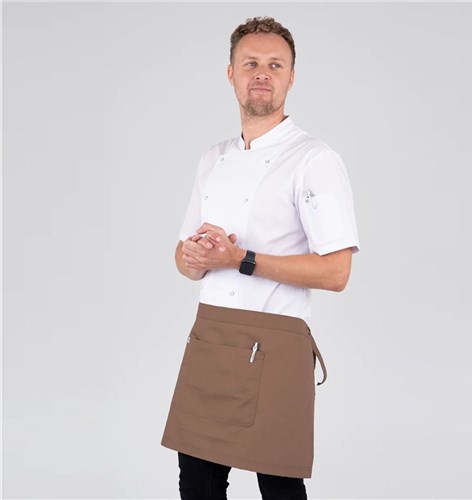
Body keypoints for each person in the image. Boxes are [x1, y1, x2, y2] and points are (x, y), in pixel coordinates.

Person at [160, 16, 360, 500]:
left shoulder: (314, 160)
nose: (262, 74)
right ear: (231, 73)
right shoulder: (213, 158)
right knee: (197, 485)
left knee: (279, 484)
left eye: (275, 65)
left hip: (275, 342)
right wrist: (196, 256)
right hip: (211, 337)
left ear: (292, 77)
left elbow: (336, 272)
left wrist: (240, 258)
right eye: (250, 64)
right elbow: (184, 260)